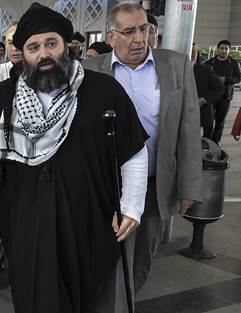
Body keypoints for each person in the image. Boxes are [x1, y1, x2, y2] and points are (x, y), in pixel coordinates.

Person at [0, 3, 148, 311]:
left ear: (66, 46)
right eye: (33, 47)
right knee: (32, 295)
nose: (43, 54)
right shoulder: (7, 93)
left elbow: (134, 151)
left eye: (51, 44)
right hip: (27, 224)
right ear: (23, 54)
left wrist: (132, 206)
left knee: (87, 297)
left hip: (87, 221)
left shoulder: (104, 90)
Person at [83, 2, 202, 304]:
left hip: (153, 183)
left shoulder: (176, 66)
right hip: (106, 187)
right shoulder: (90, 71)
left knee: (142, 260)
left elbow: (188, 128)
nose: (140, 38)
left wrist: (189, 186)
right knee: (111, 258)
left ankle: (125, 301)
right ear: (111, 37)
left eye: (144, 29)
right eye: (129, 31)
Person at [205, 40, 241, 144]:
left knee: (220, 121)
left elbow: (238, 78)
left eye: (226, 49)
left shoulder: (234, 63)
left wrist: (226, 79)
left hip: (225, 97)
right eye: (222, 48)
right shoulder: (209, 63)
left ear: (229, 50)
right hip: (211, 96)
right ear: (217, 49)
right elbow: (205, 79)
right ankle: (207, 140)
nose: (224, 51)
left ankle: (216, 141)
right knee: (209, 120)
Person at [192, 43, 225, 139]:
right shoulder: (174, 70)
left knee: (205, 141)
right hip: (179, 115)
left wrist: (204, 99)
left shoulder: (205, 70)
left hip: (201, 113)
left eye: (194, 51)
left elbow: (220, 88)